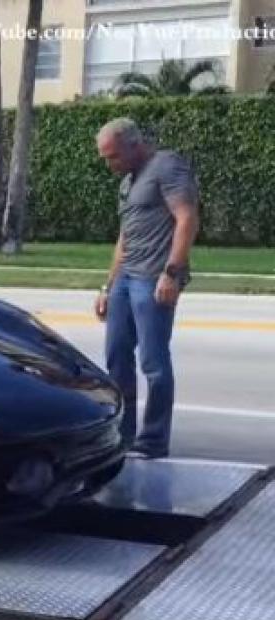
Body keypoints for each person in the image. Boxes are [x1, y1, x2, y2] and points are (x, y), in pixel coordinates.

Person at [94, 118, 199, 459]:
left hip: (153, 278)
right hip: (126, 278)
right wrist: (108, 285)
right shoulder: (128, 180)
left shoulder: (166, 166)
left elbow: (187, 218)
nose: (109, 164)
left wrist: (172, 273)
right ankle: (121, 436)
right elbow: (124, 237)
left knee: (154, 362)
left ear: (134, 145)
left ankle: (153, 440)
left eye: (113, 156)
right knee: (116, 357)